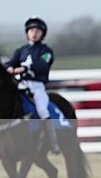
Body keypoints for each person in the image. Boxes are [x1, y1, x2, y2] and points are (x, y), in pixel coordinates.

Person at [5, 17, 60, 154]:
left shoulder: (46, 51)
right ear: (27, 33)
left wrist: (24, 68)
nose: (34, 33)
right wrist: (9, 68)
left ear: (43, 34)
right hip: (21, 85)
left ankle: (53, 142)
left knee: (42, 110)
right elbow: (10, 62)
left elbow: (42, 64)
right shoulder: (20, 51)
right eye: (31, 30)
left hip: (37, 86)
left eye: (37, 31)